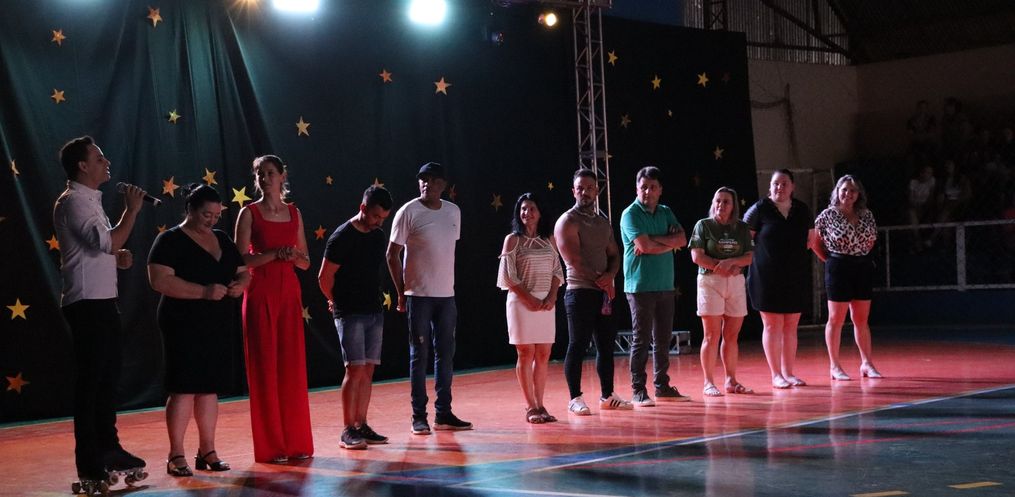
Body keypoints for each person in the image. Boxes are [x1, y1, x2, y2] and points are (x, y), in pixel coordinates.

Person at [53, 136, 149, 486]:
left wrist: (114, 258)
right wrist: (131, 211)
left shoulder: (90, 200)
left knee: (107, 380)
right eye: (99, 158)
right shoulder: (73, 202)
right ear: (82, 166)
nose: (106, 162)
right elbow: (107, 241)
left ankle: (109, 448)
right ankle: (90, 463)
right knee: (92, 383)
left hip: (103, 301)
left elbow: (101, 247)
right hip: (86, 303)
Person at [147, 185, 247, 475]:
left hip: (216, 322)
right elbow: (159, 281)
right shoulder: (169, 240)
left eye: (216, 215)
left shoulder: (222, 238)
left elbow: (242, 272)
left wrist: (241, 286)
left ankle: (207, 450)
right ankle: (176, 454)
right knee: (183, 388)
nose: (212, 220)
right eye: (206, 214)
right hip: (182, 322)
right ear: (190, 209)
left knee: (208, 388)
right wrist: (203, 292)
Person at [234, 155, 314, 463]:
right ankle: (272, 447)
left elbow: (306, 262)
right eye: (259, 174)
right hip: (260, 292)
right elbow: (239, 260)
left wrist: (292, 256)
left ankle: (296, 442)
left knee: (291, 366)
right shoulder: (249, 213)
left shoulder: (294, 213)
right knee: (265, 368)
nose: (264, 178)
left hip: (289, 293)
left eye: (270, 173)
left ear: (282, 176)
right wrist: (272, 254)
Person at [386, 162, 472, 434]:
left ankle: (443, 413)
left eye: (433, 180)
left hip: (447, 296)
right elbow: (392, 255)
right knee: (419, 356)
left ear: (443, 185)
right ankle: (418, 416)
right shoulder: (407, 211)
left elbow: (445, 250)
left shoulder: (453, 212)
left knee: (445, 355)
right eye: (423, 179)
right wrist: (401, 292)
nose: (427, 183)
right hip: (418, 296)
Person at [318, 186, 394, 449]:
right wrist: (335, 300)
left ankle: (362, 424)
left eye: (383, 218)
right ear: (363, 208)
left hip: (374, 311)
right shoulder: (341, 237)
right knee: (354, 369)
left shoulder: (378, 236)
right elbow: (324, 277)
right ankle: (348, 429)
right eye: (375, 216)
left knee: (368, 369)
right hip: (349, 313)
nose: (379, 222)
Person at [555, 169, 631, 415]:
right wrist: (602, 280)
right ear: (573, 191)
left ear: (597, 191)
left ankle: (608, 395)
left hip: (603, 292)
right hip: (579, 292)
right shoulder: (567, 221)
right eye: (580, 188)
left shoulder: (602, 222)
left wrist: (610, 275)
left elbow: (614, 254)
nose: (585, 192)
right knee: (577, 345)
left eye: (589, 188)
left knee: (606, 346)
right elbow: (574, 261)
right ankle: (575, 398)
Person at [619, 167, 689, 406]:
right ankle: (638, 390)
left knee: (663, 338)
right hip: (640, 286)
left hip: (665, 284)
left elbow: (682, 239)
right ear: (637, 188)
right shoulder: (630, 214)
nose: (647, 192)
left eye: (652, 187)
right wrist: (667, 243)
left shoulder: (666, 211)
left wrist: (654, 239)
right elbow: (644, 246)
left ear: (660, 190)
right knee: (641, 339)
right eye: (643, 187)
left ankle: (662, 386)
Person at [744, 169, 818, 389]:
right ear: (770, 186)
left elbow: (811, 240)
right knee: (772, 325)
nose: (780, 187)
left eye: (784, 183)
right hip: (765, 277)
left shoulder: (802, 210)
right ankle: (776, 374)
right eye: (776, 183)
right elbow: (745, 239)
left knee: (791, 326)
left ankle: (789, 373)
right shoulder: (759, 209)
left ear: (792, 187)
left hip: (795, 276)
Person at [497, 193, 564, 423]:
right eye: (523, 209)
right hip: (521, 303)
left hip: (545, 302)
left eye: (532, 208)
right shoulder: (512, 240)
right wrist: (528, 299)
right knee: (525, 353)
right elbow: (508, 276)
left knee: (543, 354)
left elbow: (557, 271)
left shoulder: (549, 239)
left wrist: (552, 296)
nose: (527, 213)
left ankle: (541, 404)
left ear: (540, 212)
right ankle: (530, 406)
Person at [812, 175, 882, 380]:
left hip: (862, 266)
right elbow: (815, 242)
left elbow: (871, 240)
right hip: (838, 266)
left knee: (861, 319)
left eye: (852, 190)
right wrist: (831, 260)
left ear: (858, 194)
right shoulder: (827, 215)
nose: (848, 194)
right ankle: (834, 366)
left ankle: (867, 363)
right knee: (836, 319)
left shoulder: (866, 214)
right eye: (844, 190)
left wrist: (859, 255)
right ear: (837, 191)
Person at [689, 187, 755, 397]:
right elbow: (697, 256)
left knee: (732, 335)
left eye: (726, 201)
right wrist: (721, 267)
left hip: (735, 282)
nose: (721, 205)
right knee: (711, 335)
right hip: (710, 281)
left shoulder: (742, 228)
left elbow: (749, 257)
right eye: (718, 201)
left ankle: (731, 380)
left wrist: (732, 262)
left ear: (733, 206)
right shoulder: (703, 225)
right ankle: (708, 382)